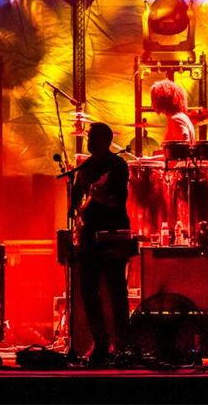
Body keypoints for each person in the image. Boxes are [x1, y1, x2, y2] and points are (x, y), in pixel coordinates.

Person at [72, 122, 131, 363]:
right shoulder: (85, 167)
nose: (88, 141)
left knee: (117, 290)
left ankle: (122, 345)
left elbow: (118, 200)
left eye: (93, 137)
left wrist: (101, 197)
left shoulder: (118, 166)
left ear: (105, 141)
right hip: (89, 234)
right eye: (88, 137)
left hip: (112, 233)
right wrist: (77, 211)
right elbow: (75, 199)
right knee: (88, 291)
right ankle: (100, 343)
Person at [149, 79, 195, 143]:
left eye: (153, 99)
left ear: (163, 99)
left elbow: (183, 146)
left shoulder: (176, 119)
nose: (152, 103)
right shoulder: (180, 117)